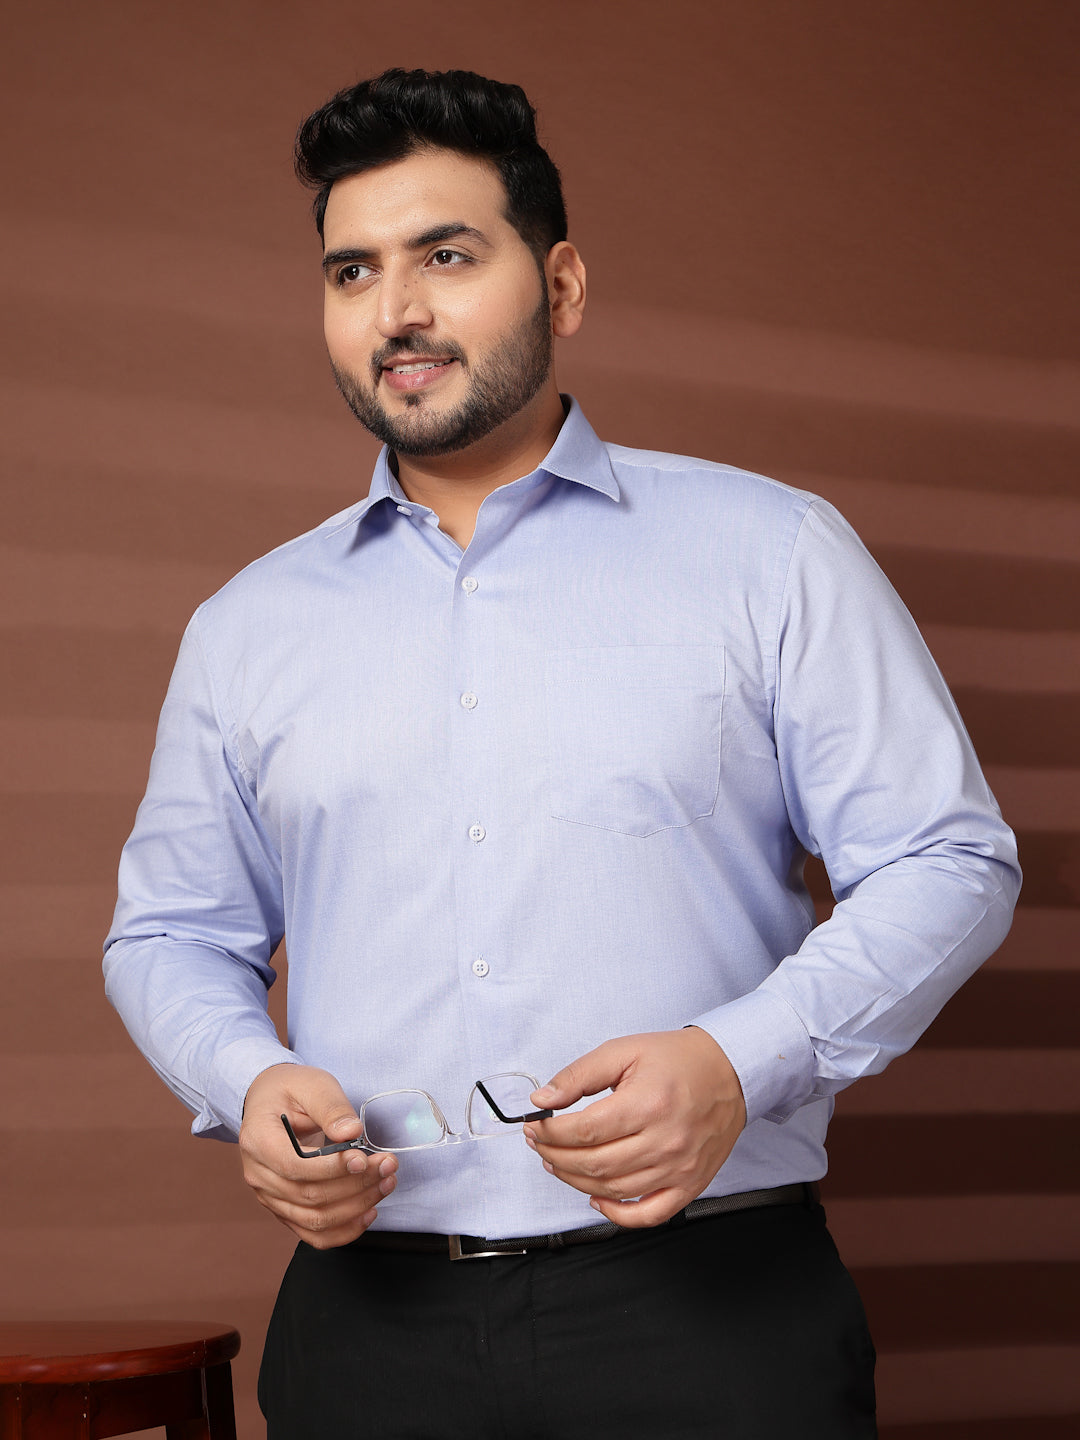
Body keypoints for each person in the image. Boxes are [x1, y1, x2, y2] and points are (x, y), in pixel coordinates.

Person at [104, 68, 1020, 1439]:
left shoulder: (770, 554)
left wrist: (738, 1060)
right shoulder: (246, 628)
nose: (396, 311)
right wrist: (246, 1079)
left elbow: (948, 859)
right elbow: (170, 932)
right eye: (353, 272)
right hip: (367, 1334)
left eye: (447, 256)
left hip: (713, 1319)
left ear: (563, 284)